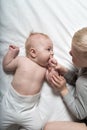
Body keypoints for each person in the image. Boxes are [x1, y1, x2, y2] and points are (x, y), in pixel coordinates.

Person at [0, 32, 55, 130]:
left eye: (52, 50)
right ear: (33, 52)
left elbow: (52, 79)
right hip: (10, 106)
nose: (52, 53)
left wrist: (52, 70)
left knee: (38, 127)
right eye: (48, 49)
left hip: (29, 111)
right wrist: (12, 53)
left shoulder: (44, 70)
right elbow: (6, 66)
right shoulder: (21, 60)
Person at [44, 27, 87, 130]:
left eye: (74, 55)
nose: (69, 53)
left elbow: (80, 113)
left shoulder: (82, 83)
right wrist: (65, 71)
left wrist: (63, 90)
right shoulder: (83, 70)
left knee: (48, 128)